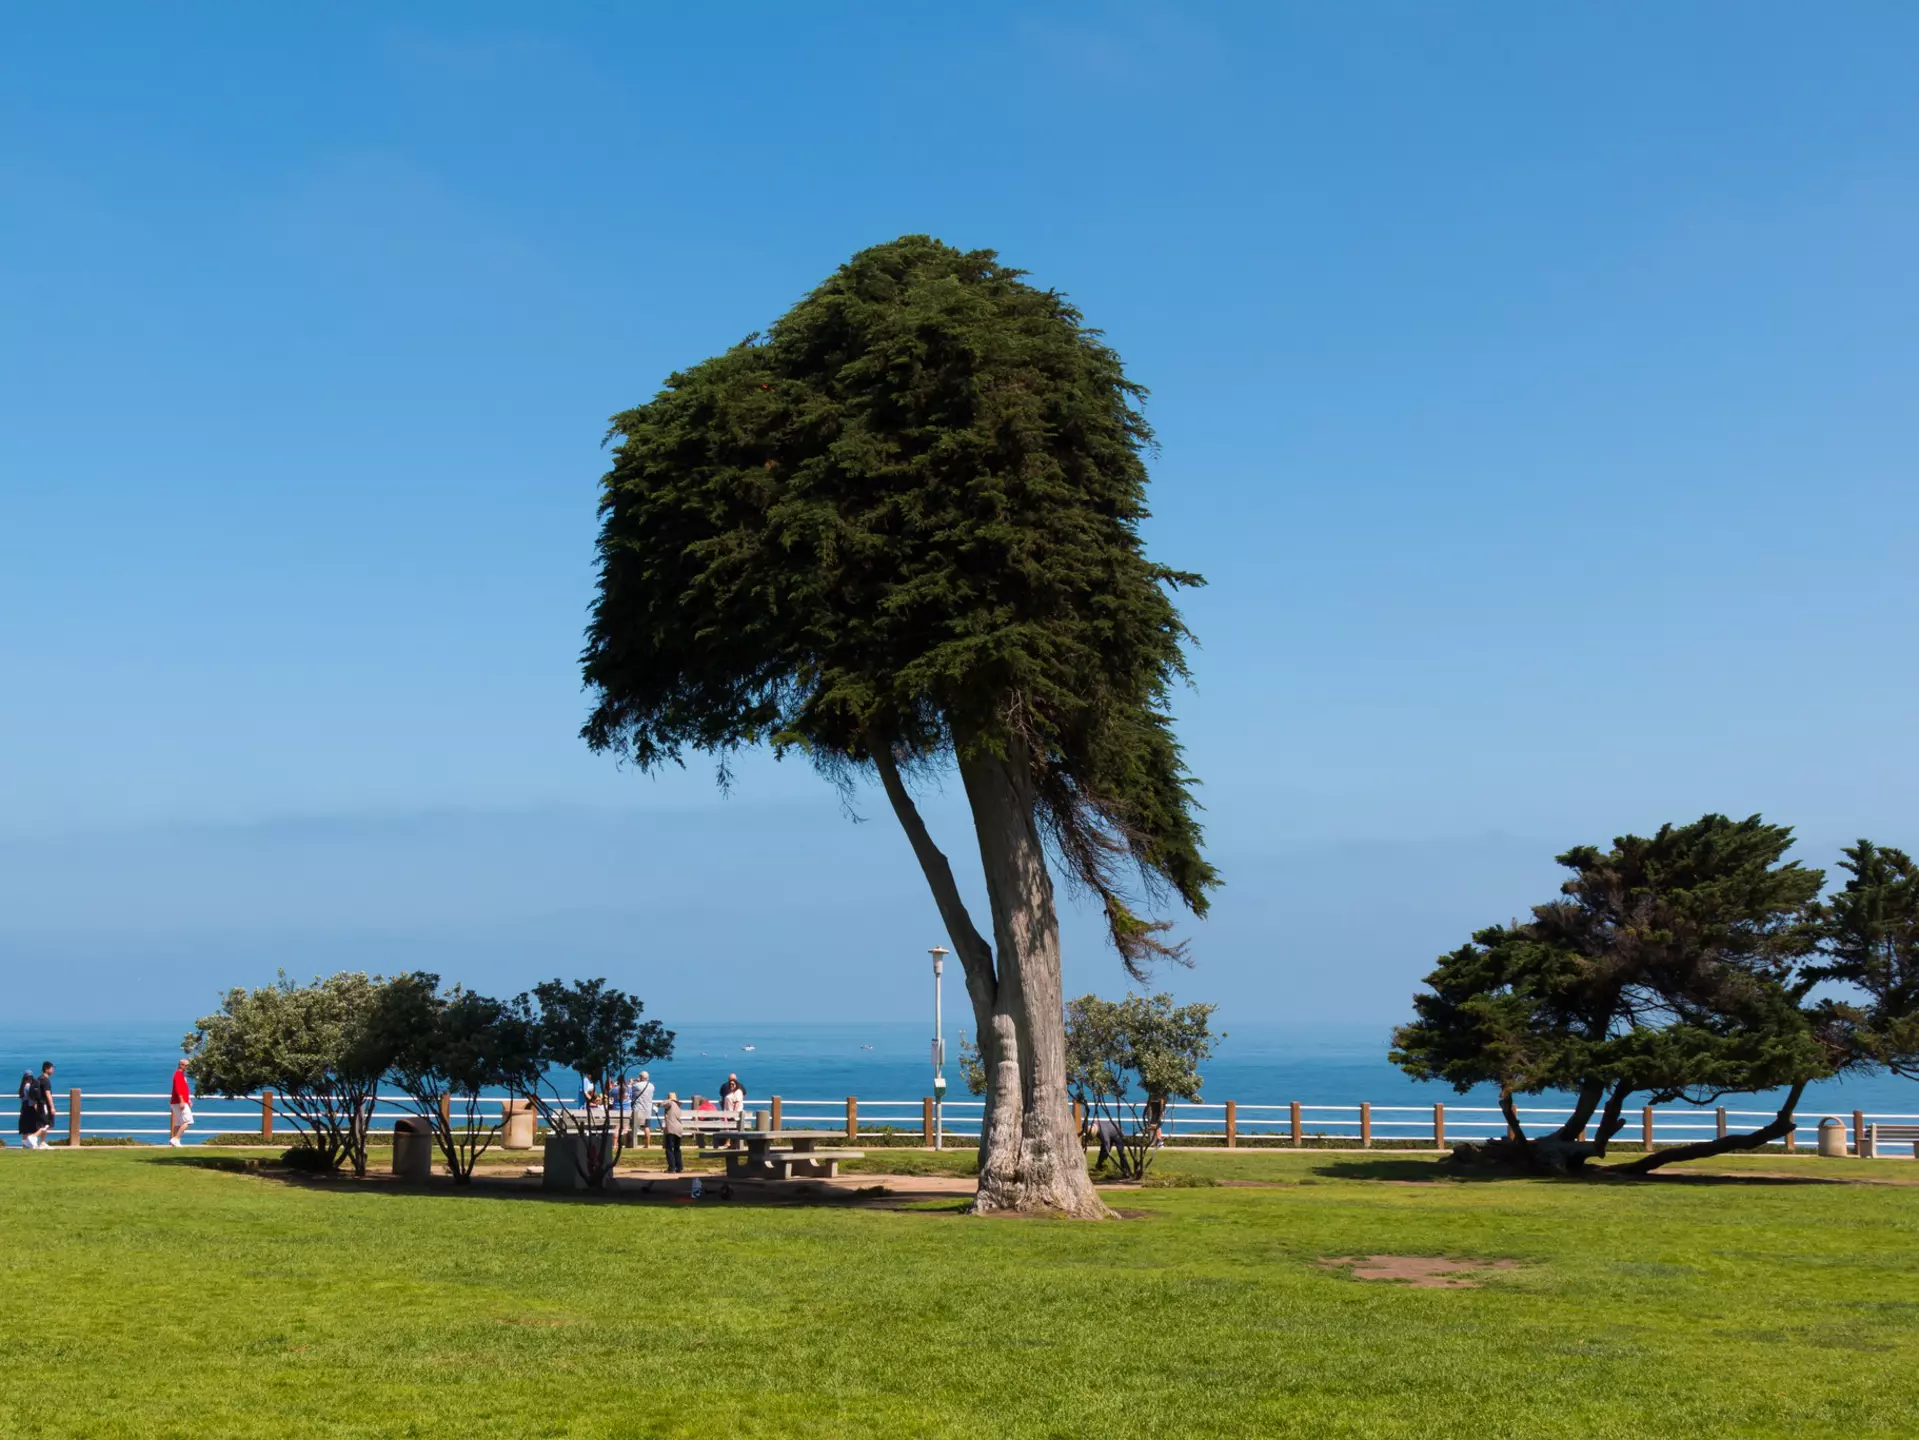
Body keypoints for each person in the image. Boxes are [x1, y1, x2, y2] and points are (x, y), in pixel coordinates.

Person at [17, 1063, 55, 1149]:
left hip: (24, 1108)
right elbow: (35, 1096)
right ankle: (34, 1140)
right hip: (32, 1107)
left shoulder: (24, 1086)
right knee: (43, 1124)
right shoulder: (31, 1085)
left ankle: (27, 1144)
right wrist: (36, 1104)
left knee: (26, 1127)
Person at [168, 1057, 194, 1146]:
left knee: (178, 1123)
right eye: (186, 1065)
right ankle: (176, 1138)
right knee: (188, 1121)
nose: (188, 1067)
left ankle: (174, 1141)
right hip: (179, 1102)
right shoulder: (178, 1075)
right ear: (181, 1065)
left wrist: (188, 1099)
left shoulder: (180, 1075)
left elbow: (184, 1089)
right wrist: (182, 1101)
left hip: (177, 1102)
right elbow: (178, 1089)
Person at [660, 1091, 685, 1173]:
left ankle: (671, 1167)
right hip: (679, 1128)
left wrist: (657, 1105)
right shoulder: (678, 1106)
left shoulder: (670, 1103)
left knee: (669, 1148)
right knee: (677, 1148)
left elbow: (663, 1103)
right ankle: (679, 1166)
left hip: (671, 1129)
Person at [631, 1070, 656, 1147]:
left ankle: (634, 1143)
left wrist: (633, 1082)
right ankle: (647, 1144)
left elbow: (631, 1091)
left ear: (641, 1077)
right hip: (648, 1110)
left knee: (633, 1126)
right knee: (646, 1127)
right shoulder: (652, 1086)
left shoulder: (637, 1085)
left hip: (638, 1109)